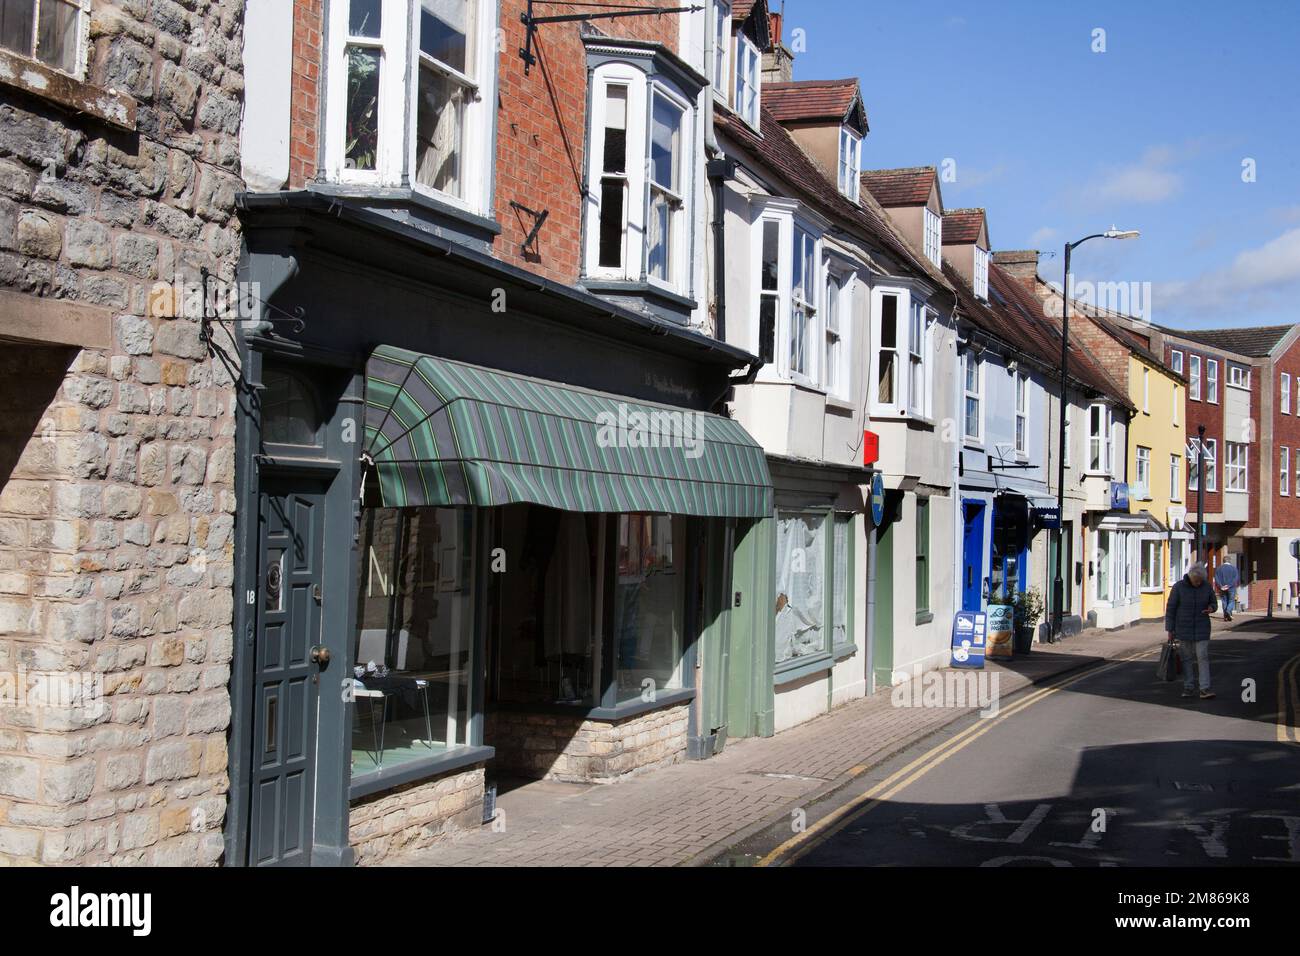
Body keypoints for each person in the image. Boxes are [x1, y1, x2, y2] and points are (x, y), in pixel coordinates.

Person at [1165, 562, 1217, 699]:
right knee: (1186, 659)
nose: (1198, 583)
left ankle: (1204, 688)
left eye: (1200, 581)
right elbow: (1171, 609)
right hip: (1183, 628)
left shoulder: (1207, 587)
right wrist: (1170, 629)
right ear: (1190, 577)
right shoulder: (1178, 587)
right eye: (1195, 581)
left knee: (1203, 657)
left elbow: (1214, 603)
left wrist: (1211, 608)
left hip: (1202, 628)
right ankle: (1188, 687)